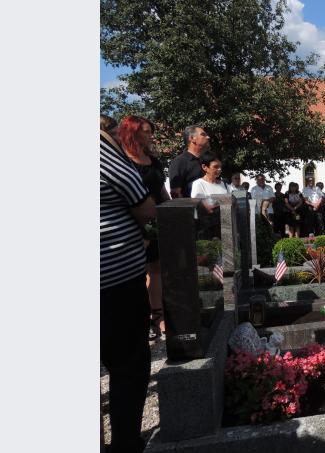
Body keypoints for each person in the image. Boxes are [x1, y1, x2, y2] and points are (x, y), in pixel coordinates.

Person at [101, 116, 156, 453]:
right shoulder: (103, 153)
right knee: (128, 364)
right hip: (112, 281)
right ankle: (125, 444)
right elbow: (146, 207)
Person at [116, 115, 171, 340]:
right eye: (146, 131)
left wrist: (171, 214)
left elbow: (162, 192)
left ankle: (158, 315)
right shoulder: (123, 161)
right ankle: (144, 318)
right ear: (133, 133)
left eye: (150, 131)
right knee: (140, 272)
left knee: (157, 268)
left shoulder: (153, 161)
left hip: (157, 221)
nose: (150, 135)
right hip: (134, 223)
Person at [168, 125, 210, 198]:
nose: (208, 137)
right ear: (192, 139)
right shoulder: (179, 162)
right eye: (203, 135)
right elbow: (176, 193)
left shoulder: (207, 161)